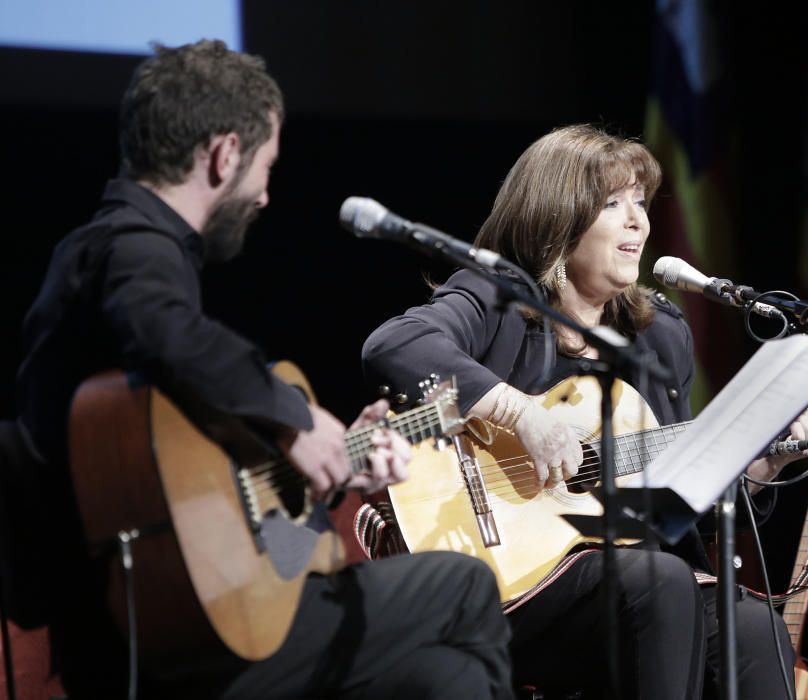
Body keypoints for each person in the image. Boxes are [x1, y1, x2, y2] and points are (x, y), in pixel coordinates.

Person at [15, 40, 513, 700]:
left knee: (443, 678)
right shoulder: (132, 248)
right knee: (465, 583)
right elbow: (167, 330)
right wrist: (297, 419)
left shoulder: (115, 274)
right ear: (224, 154)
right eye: (265, 167)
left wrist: (332, 470)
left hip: (186, 614)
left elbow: (206, 507)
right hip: (157, 642)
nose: (266, 195)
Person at [362, 124, 808, 699]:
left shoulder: (658, 336)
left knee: (751, 626)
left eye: (640, 201)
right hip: (508, 580)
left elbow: (675, 512)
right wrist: (524, 417)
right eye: (613, 204)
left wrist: (761, 468)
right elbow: (394, 347)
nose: (639, 220)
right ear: (557, 219)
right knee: (661, 581)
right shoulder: (495, 299)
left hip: (631, 590)